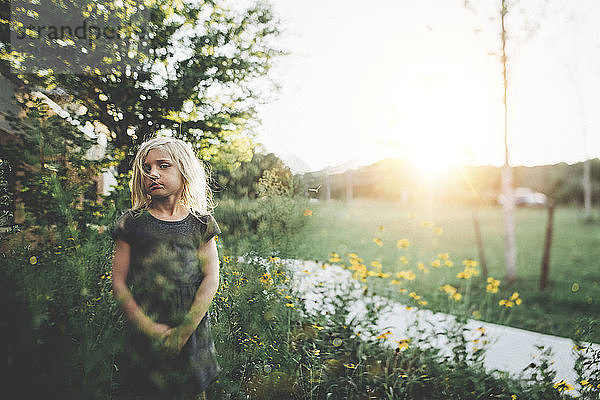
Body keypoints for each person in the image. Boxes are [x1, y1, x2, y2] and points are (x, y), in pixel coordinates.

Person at [111, 136, 221, 399]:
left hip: (192, 331)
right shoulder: (132, 223)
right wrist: (150, 328)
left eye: (163, 165)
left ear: (183, 169)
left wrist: (184, 331)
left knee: (191, 390)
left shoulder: (200, 223)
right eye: (146, 168)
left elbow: (211, 278)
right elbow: (118, 283)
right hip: (146, 326)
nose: (153, 174)